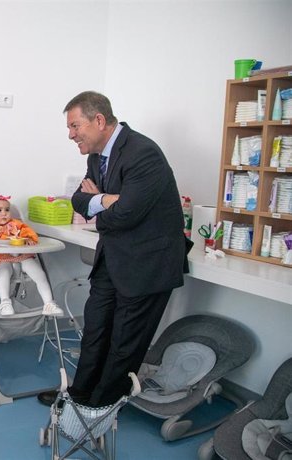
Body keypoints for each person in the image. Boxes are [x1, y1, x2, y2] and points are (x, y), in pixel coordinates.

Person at [38, 91, 191, 408]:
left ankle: (99, 407)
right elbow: (79, 200)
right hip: (115, 258)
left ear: (98, 120)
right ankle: (79, 395)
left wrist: (102, 205)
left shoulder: (143, 153)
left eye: (75, 125)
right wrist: (108, 199)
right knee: (95, 329)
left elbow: (126, 215)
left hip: (148, 264)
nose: (71, 135)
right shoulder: (97, 155)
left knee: (125, 342)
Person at [0, 195, 64, 316]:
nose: (4, 213)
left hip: (22, 256)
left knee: (40, 274)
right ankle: (5, 302)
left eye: (7, 210)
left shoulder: (16, 224)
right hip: (1, 258)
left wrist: (30, 239)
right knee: (4, 272)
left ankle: (49, 304)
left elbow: (29, 232)